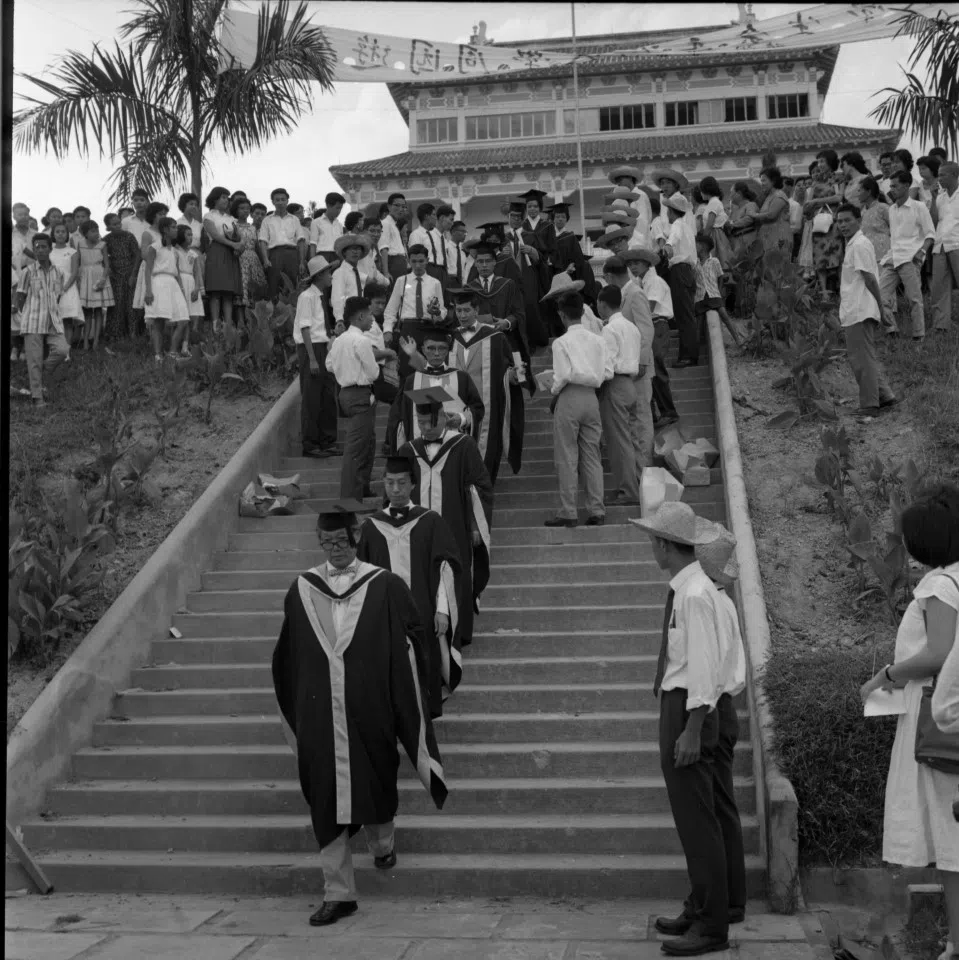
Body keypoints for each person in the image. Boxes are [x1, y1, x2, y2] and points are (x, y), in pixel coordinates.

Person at [272, 499, 447, 928]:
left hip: (370, 712)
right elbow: (288, 657)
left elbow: (413, 640)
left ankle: (383, 842)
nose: (335, 548)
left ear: (356, 539)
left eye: (342, 540)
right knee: (325, 803)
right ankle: (339, 893)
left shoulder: (384, 585)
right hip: (320, 718)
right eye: (326, 541)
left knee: (377, 787)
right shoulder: (301, 589)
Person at [633, 501, 745, 957]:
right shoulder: (696, 589)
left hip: (690, 706)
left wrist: (693, 727)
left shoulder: (695, 594)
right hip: (697, 704)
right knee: (708, 815)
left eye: (653, 541)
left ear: (665, 546)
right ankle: (707, 906)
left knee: (698, 821)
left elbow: (700, 664)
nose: (652, 548)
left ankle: (712, 924)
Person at [859, 484, 959, 960]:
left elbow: (939, 653)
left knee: (951, 835)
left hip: (936, 722)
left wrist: (887, 674)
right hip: (944, 710)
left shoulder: (940, 584)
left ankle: (956, 944)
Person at [357, 455, 464, 718]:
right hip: (385, 615)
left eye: (401, 483)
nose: (395, 490)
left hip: (423, 611)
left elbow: (446, 568)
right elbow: (360, 574)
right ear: (383, 483)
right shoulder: (372, 527)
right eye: (390, 483)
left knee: (424, 668)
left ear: (413, 485)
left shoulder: (430, 521)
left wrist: (442, 610)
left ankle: (423, 725)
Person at [398, 386, 493, 647]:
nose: (426, 428)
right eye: (421, 423)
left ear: (443, 417)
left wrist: (475, 525)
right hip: (417, 531)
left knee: (455, 572)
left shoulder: (463, 446)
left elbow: (481, 487)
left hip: (455, 527)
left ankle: (458, 633)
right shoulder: (408, 450)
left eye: (430, 422)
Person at [545, 291, 611, 528]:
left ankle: (569, 510)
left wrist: (551, 387)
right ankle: (596, 509)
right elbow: (608, 372)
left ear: (562, 315)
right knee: (592, 456)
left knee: (567, 455)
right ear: (583, 312)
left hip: (570, 396)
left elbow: (561, 376)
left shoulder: (561, 342)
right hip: (592, 398)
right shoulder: (599, 340)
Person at [448, 288, 520, 484]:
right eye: (458, 310)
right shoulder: (450, 338)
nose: (461, 315)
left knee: (486, 450)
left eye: (466, 310)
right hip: (456, 406)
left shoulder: (494, 337)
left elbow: (509, 368)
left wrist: (512, 376)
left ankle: (482, 490)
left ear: (476, 310)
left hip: (486, 405)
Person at [835, 203, 898, 421]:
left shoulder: (860, 244)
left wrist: (882, 307)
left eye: (847, 220)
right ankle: (885, 396)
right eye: (839, 221)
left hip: (860, 309)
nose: (842, 225)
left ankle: (870, 404)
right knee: (864, 356)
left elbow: (871, 279)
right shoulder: (854, 244)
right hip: (856, 308)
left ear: (859, 221)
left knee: (861, 359)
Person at [326, 296, 381, 501]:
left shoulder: (339, 340)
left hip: (345, 394)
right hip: (360, 394)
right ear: (360, 316)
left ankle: (362, 487)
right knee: (356, 448)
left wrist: (345, 369)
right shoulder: (362, 341)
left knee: (368, 442)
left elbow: (329, 365)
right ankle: (349, 499)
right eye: (369, 315)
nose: (372, 319)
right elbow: (374, 373)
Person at [603, 255, 656, 465]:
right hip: (629, 367)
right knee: (633, 421)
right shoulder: (625, 294)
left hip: (638, 367)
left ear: (608, 276)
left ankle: (645, 469)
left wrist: (642, 360)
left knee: (641, 418)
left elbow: (646, 327)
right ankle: (637, 470)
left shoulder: (635, 293)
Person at [396, 323, 485, 448]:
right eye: (431, 348)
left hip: (454, 446)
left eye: (442, 348)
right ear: (423, 349)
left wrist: (462, 418)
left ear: (448, 350)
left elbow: (478, 409)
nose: (436, 353)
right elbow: (403, 417)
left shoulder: (461, 378)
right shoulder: (412, 380)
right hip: (421, 449)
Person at [595, 285, 642, 506]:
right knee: (630, 439)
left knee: (619, 441)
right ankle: (629, 485)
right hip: (631, 384)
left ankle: (628, 490)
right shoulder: (631, 327)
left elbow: (607, 365)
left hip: (614, 385)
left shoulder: (609, 329)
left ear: (602, 305)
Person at [622, 248, 679, 427]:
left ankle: (668, 411)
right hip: (650, 326)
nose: (633, 267)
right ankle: (657, 412)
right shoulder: (640, 282)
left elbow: (649, 308)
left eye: (637, 263)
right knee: (652, 369)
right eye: (630, 264)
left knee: (656, 368)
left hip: (658, 325)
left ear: (647, 264)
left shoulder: (653, 281)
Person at [880, 171, 935, 341]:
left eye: (895, 185)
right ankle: (892, 331)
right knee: (879, 296)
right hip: (893, 257)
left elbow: (930, 234)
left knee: (914, 299)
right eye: (891, 186)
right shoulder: (892, 210)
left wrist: (921, 252)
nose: (892, 189)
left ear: (906, 186)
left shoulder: (919, 207)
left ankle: (919, 336)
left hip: (910, 258)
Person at [295, 255, 340, 459]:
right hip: (311, 348)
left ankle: (327, 440)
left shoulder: (320, 296)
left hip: (322, 346)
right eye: (328, 272)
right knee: (312, 397)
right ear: (320, 275)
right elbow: (305, 328)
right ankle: (311, 443)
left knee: (327, 395)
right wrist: (312, 358)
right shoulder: (307, 297)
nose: (331, 276)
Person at [17, 233, 66, 407]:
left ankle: (45, 370)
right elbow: (20, 297)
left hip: (53, 320)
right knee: (34, 360)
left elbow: (58, 295)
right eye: (36, 247)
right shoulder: (27, 272)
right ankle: (37, 397)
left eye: (43, 246)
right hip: (33, 321)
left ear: (50, 249)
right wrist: (27, 316)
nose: (40, 250)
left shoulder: (58, 272)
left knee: (62, 350)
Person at [144, 216, 190, 361]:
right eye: (173, 227)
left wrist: (181, 289)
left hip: (173, 285)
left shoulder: (175, 251)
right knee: (159, 320)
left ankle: (172, 351)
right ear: (165, 230)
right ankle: (158, 354)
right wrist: (148, 290)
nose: (176, 230)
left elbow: (177, 273)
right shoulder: (154, 247)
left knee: (183, 318)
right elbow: (148, 269)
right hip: (159, 283)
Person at [505, 201, 549, 349]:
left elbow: (542, 260)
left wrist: (533, 251)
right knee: (512, 310)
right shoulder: (504, 239)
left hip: (528, 278)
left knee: (529, 307)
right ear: (508, 217)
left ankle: (532, 342)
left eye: (519, 217)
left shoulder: (531, 236)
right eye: (513, 216)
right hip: (509, 280)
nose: (516, 219)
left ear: (523, 218)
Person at [803, 149, 846, 298]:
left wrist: (816, 201)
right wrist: (808, 207)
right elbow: (808, 203)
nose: (820, 165)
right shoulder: (815, 182)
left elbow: (838, 198)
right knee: (820, 259)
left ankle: (842, 291)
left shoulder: (838, 179)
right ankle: (824, 293)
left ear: (830, 162)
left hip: (834, 223)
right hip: (819, 225)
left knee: (837, 257)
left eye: (822, 161)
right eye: (819, 161)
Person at [662, 195, 699, 368]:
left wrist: (668, 246)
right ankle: (689, 354)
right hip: (689, 271)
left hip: (679, 270)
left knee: (683, 315)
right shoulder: (688, 228)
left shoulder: (676, 225)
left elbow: (673, 238)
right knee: (687, 314)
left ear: (671, 211)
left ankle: (688, 356)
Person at [202, 187, 242, 334]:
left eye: (227, 197)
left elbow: (239, 237)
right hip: (217, 252)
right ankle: (215, 324)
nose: (226, 200)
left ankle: (228, 325)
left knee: (228, 293)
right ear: (215, 199)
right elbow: (215, 235)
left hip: (231, 254)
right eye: (223, 197)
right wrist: (233, 244)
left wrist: (239, 247)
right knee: (215, 292)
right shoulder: (208, 216)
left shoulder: (231, 219)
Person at [259, 187, 307, 299]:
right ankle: (274, 314)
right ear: (273, 202)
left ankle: (293, 314)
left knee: (293, 285)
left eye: (283, 199)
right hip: (274, 255)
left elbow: (301, 241)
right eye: (277, 200)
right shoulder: (267, 220)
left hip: (292, 255)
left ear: (287, 201)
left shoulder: (294, 219)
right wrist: (265, 259)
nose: (280, 202)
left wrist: (301, 262)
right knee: (274, 285)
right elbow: (263, 241)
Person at [695, 234, 742, 347]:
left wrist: (719, 291)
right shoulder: (695, 263)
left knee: (724, 316)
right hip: (700, 296)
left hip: (714, 294)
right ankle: (696, 349)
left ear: (702, 247)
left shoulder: (714, 261)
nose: (694, 247)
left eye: (696, 244)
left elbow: (721, 276)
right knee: (698, 323)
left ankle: (738, 340)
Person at [548, 201, 599, 304]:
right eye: (557, 217)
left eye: (563, 217)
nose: (560, 219)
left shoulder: (570, 237)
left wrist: (571, 266)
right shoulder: (549, 237)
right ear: (553, 219)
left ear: (567, 219)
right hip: (552, 274)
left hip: (568, 274)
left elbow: (578, 258)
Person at [930, 161, 959, 334]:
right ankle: (941, 325)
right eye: (938, 174)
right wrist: (933, 198)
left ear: (954, 175)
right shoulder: (939, 197)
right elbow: (933, 222)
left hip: (957, 243)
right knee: (939, 287)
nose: (938, 178)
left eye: (942, 175)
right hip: (940, 244)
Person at [76, 220, 113, 351]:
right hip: (85, 276)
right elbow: (77, 262)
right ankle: (85, 340)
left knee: (98, 310)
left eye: (97, 230)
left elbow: (107, 265)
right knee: (86, 311)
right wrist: (78, 279)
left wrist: (103, 278)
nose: (96, 233)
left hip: (99, 276)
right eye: (92, 231)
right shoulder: (80, 244)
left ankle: (96, 340)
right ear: (85, 233)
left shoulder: (102, 244)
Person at [102, 213, 139, 341]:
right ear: (108, 227)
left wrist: (133, 275)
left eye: (119, 223)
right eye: (114, 224)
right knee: (116, 305)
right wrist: (110, 271)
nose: (118, 226)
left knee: (131, 304)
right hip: (115, 275)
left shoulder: (129, 237)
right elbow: (103, 257)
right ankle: (115, 334)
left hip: (130, 273)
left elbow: (137, 256)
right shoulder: (106, 240)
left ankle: (133, 333)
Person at [232, 197, 267, 324]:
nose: (245, 211)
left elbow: (257, 245)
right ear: (236, 209)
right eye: (242, 208)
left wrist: (264, 261)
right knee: (241, 291)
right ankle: (241, 322)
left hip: (254, 259)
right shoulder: (233, 225)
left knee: (255, 290)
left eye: (247, 208)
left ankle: (254, 321)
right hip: (239, 260)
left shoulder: (253, 228)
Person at [50, 222, 82, 350]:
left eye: (63, 231)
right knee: (54, 320)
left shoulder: (72, 251)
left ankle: (66, 350)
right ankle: (55, 348)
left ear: (67, 234)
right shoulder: (49, 250)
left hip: (68, 288)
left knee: (67, 319)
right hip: (51, 287)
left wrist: (65, 287)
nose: (60, 234)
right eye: (57, 231)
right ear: (53, 234)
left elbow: (74, 272)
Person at [331, 233, 377, 323]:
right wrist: (339, 319)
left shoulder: (357, 273)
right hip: (348, 316)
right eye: (351, 249)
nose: (355, 252)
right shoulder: (340, 273)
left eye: (358, 249)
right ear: (344, 252)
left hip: (361, 316)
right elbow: (337, 298)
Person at [749, 166, 793, 261]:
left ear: (773, 181)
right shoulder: (769, 196)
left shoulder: (779, 195)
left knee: (778, 268)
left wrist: (754, 215)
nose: (762, 184)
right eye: (761, 181)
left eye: (764, 180)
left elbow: (771, 215)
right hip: (767, 238)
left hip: (779, 237)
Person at [607, 165, 653, 249]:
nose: (619, 183)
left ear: (630, 178)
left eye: (620, 180)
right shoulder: (624, 199)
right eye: (617, 181)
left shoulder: (639, 195)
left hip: (639, 242)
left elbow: (642, 221)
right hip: (628, 241)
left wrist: (640, 242)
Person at [175, 225, 204, 353]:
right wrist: (180, 287)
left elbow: (197, 272)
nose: (191, 237)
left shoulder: (193, 254)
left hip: (191, 283)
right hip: (179, 282)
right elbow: (175, 270)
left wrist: (197, 288)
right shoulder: (175, 251)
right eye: (188, 234)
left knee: (191, 316)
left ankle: (186, 345)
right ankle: (175, 344)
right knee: (181, 316)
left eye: (192, 234)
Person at [698, 177, 733, 269]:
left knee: (714, 264)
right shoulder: (714, 202)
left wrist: (703, 241)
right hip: (715, 234)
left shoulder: (713, 202)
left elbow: (710, 224)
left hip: (714, 235)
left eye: (701, 190)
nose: (700, 193)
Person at [380, 192, 409, 280]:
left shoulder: (394, 225)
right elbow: (383, 248)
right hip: (393, 265)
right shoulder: (385, 223)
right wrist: (386, 273)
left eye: (403, 207)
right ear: (389, 207)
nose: (401, 209)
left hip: (400, 264)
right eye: (397, 205)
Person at [309, 191, 345, 261]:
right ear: (328, 205)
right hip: (322, 256)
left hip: (337, 257)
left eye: (340, 208)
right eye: (337, 208)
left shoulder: (339, 225)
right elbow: (313, 244)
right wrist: (313, 262)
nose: (339, 211)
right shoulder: (316, 222)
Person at [444, 220, 472, 288]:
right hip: (449, 283)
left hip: (461, 284)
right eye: (462, 231)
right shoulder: (446, 249)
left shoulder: (462, 253)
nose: (465, 234)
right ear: (453, 232)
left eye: (466, 232)